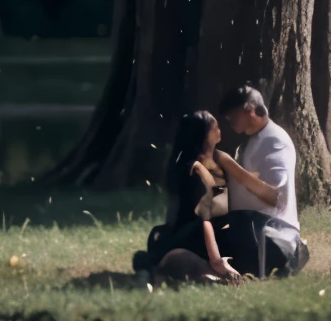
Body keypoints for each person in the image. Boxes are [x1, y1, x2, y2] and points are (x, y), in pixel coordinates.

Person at [132, 110, 245, 285]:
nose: (219, 130)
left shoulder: (213, 164)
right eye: (214, 127)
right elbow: (204, 219)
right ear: (203, 136)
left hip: (204, 233)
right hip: (196, 237)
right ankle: (208, 273)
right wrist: (217, 261)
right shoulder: (194, 170)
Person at [213, 83, 309, 278]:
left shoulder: (275, 140)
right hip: (252, 230)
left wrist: (229, 164)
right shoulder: (251, 141)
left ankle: (292, 255)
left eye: (232, 113)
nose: (228, 119)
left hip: (271, 235)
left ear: (249, 109)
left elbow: (275, 196)